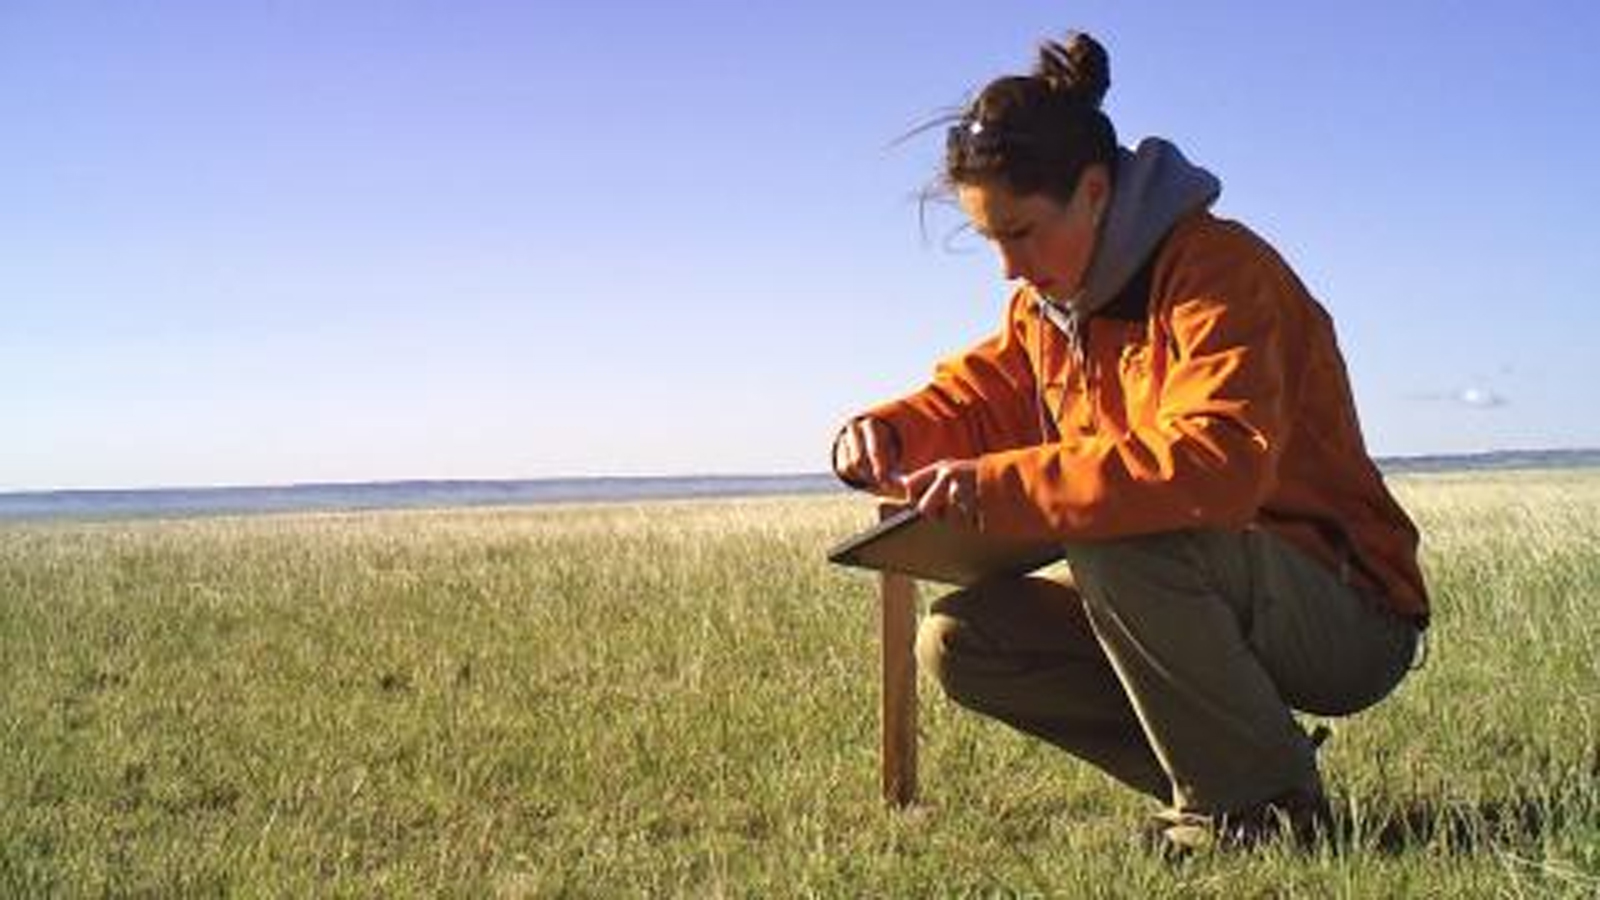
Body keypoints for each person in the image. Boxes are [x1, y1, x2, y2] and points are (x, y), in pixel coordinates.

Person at [830, 31, 1429, 854]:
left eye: (1025, 233)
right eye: (990, 240)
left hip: (1349, 613)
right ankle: (1254, 777)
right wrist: (888, 431)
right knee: (964, 642)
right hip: (1221, 596)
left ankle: (1257, 807)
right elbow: (980, 397)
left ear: (1096, 191)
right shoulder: (1050, 309)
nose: (1009, 267)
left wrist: (997, 485)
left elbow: (1215, 466)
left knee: (1115, 534)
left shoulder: (1220, 273)